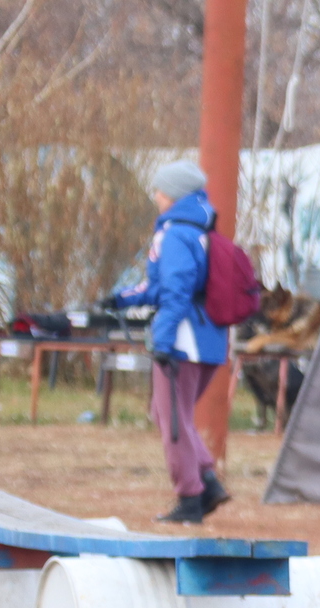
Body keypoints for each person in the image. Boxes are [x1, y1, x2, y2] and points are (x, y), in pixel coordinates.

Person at [109, 160, 232, 524]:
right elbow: (161, 287)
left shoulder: (176, 232)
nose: (157, 196)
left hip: (183, 340)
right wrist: (121, 299)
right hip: (209, 339)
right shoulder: (201, 229)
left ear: (174, 195)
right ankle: (207, 482)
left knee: (171, 421)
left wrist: (161, 341)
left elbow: (175, 292)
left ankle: (190, 498)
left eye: (160, 190)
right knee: (175, 417)